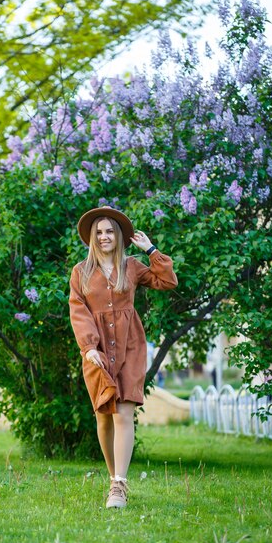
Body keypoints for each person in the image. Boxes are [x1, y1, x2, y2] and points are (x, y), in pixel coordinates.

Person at [69, 206, 178, 509]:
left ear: (118, 236)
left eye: (109, 231)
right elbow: (78, 310)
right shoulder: (81, 272)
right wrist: (89, 347)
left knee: (125, 413)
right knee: (104, 418)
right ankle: (113, 479)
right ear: (93, 237)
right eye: (99, 232)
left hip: (130, 347)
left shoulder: (131, 266)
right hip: (98, 353)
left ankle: (119, 484)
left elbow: (168, 281)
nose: (104, 237)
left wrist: (151, 250)